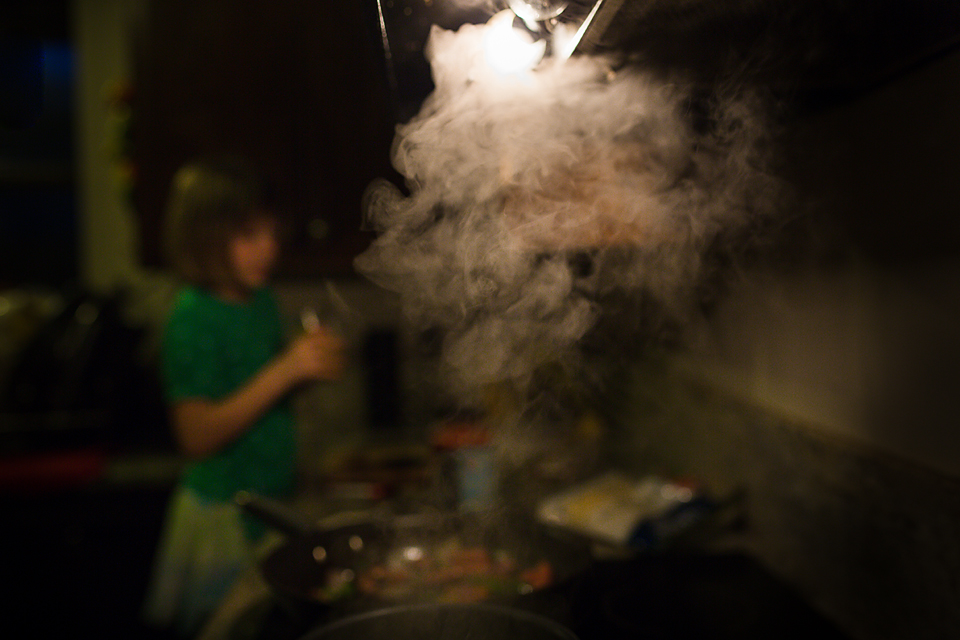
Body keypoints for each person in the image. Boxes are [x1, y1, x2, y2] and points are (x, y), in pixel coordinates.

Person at [142, 157, 346, 637]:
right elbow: (196, 435)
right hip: (222, 517)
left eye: (272, 234)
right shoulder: (193, 316)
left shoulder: (260, 300)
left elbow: (256, 394)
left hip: (268, 501)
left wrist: (301, 373)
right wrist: (286, 370)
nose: (268, 249)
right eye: (248, 235)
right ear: (204, 237)